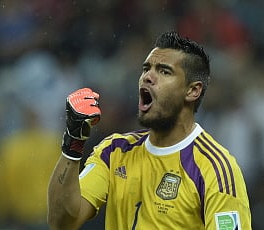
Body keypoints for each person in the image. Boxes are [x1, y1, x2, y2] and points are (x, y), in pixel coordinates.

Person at [47, 31, 252, 230]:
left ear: (192, 91)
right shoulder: (114, 152)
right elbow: (62, 223)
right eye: (146, 69)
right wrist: (73, 142)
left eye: (164, 71)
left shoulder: (215, 168)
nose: (147, 77)